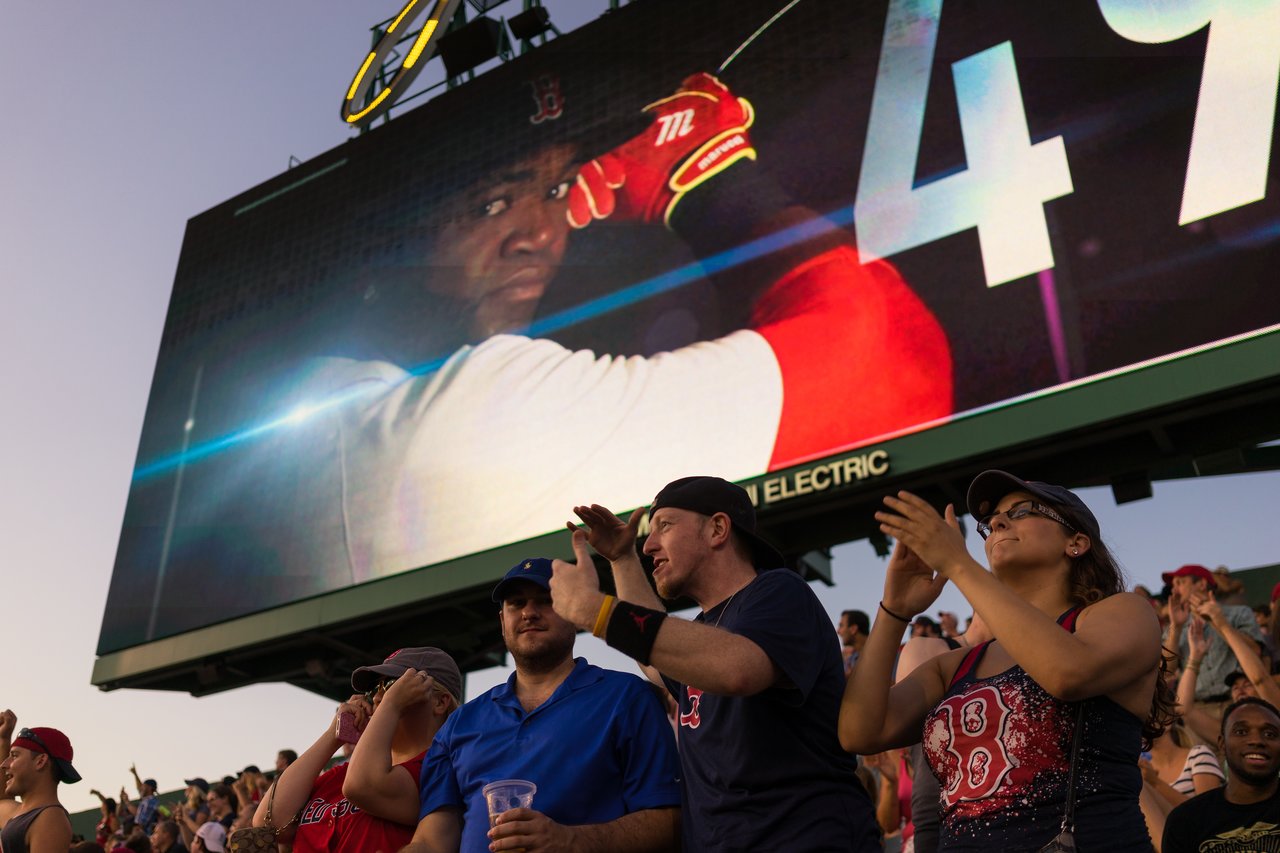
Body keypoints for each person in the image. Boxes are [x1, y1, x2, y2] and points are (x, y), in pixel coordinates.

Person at [227, 70, 952, 596]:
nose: (541, 234)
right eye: (492, 202)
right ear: (379, 255)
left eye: (552, 189)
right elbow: (893, 355)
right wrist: (706, 180)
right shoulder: (466, 414)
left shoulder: (293, 414)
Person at [840, 469, 1173, 851]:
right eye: (992, 520)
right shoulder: (955, 665)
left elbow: (1067, 674)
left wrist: (958, 564)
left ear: (1076, 542)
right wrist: (894, 611)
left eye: (1022, 511)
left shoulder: (1124, 613)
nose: (997, 521)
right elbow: (860, 733)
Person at [549, 477, 879, 851]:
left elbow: (738, 668)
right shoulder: (704, 631)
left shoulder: (780, 592)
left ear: (718, 529)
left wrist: (599, 611)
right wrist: (622, 560)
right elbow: (657, 660)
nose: (650, 544)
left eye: (665, 525)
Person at [405, 558, 681, 853]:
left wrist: (570, 840)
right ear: (502, 622)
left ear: (574, 613)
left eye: (545, 600)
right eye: (517, 603)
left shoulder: (626, 698)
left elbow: (670, 823)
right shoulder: (459, 724)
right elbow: (433, 841)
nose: (529, 612)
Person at [253, 647, 461, 852]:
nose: (378, 698)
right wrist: (334, 735)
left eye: (392, 685)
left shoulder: (441, 769)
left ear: (440, 702)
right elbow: (269, 824)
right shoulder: (343, 773)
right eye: (374, 690)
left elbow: (362, 787)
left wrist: (390, 706)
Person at [1161, 697, 1280, 852]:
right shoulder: (1185, 821)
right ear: (1222, 744)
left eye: (1270, 734)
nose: (1256, 740)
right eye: (1241, 732)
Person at [1163, 565, 1264, 708]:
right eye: (1173, 585)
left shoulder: (1239, 613)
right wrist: (1176, 627)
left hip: (1238, 703)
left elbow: (1255, 651)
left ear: (1202, 584)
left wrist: (1218, 621)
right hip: (1198, 711)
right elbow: (1166, 671)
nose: (1174, 590)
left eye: (1180, 583)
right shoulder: (1175, 625)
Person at [0, 720, 79, 853]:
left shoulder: (51, 819)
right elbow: (1, 801)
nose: (4, 764)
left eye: (14, 755)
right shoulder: (23, 814)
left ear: (40, 761)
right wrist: (4, 739)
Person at [837, 609, 870, 675]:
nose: (838, 631)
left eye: (841, 626)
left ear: (853, 629)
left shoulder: (883, 652)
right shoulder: (848, 662)